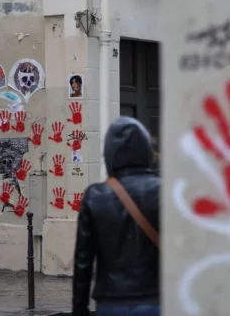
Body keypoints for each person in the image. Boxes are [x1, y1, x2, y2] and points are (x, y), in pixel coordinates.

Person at [72, 117, 160, 316]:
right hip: (155, 297)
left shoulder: (95, 196)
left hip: (111, 301)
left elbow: (83, 262)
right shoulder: (163, 191)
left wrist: (79, 308)